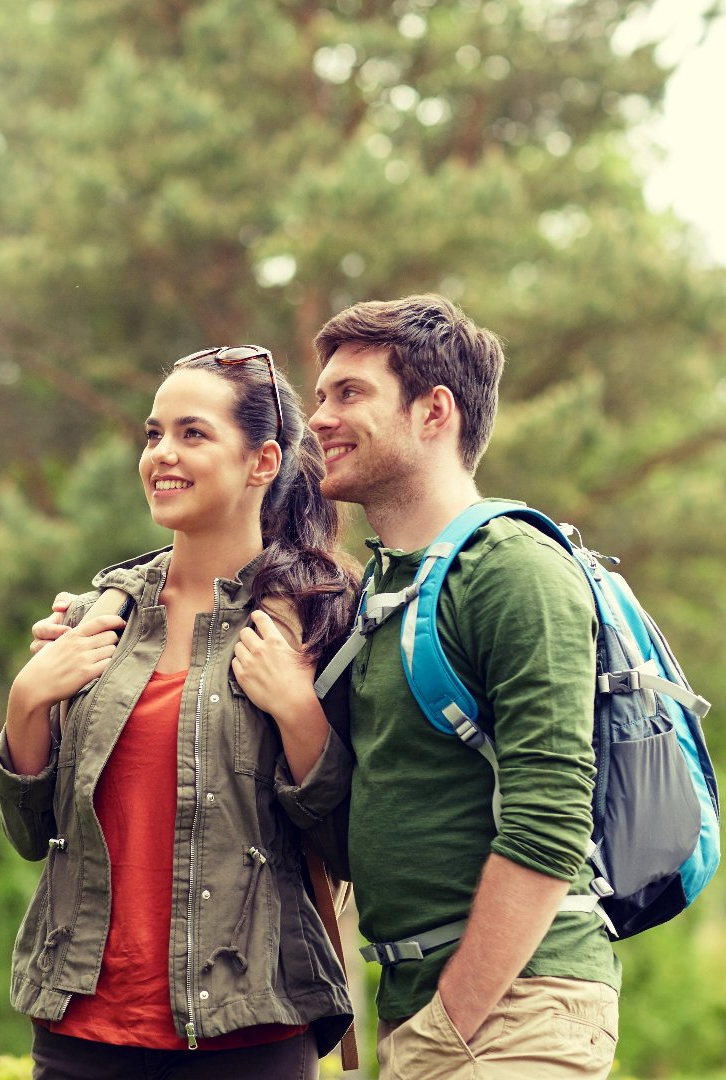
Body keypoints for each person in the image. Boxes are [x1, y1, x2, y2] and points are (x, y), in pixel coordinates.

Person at [0, 345, 360, 1079]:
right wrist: (27, 700)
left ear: (262, 462)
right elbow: (33, 835)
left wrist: (300, 717)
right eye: (153, 433)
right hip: (80, 1033)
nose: (162, 453)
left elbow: (353, 848)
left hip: (249, 1034)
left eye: (193, 434)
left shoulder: (319, 620)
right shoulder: (101, 615)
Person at [305, 294, 620, 1078]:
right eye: (320, 397)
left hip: (515, 1012)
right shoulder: (383, 593)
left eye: (350, 394)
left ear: (432, 411)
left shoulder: (513, 567)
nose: (319, 419)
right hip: (425, 1009)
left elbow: (550, 817)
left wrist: (455, 1018)